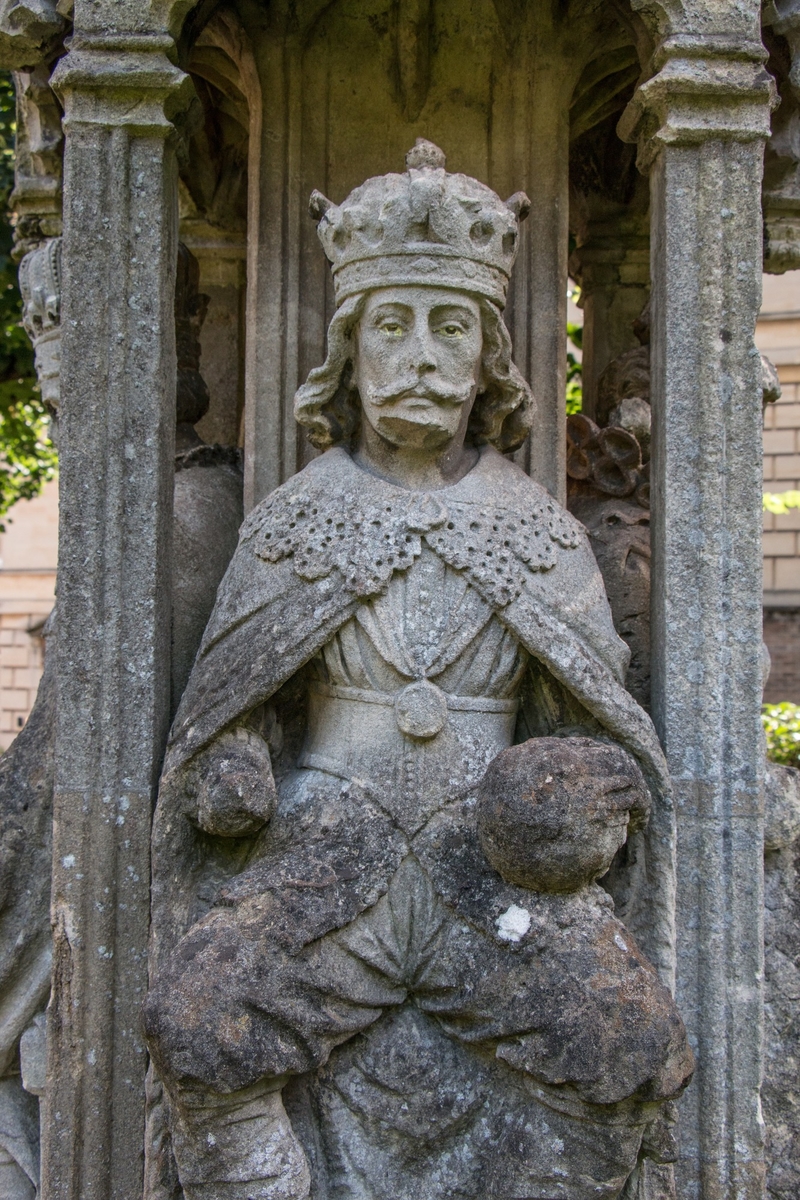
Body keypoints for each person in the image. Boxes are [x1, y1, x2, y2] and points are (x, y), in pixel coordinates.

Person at [143, 140, 692, 1200]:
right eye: (390, 326)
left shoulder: (534, 530)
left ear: (489, 357)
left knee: (630, 1047)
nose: (421, 356)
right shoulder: (294, 522)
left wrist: (576, 791)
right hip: (326, 850)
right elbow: (234, 708)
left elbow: (577, 716)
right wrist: (232, 770)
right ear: (347, 354)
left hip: (484, 866)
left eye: (449, 328)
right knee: (195, 1021)